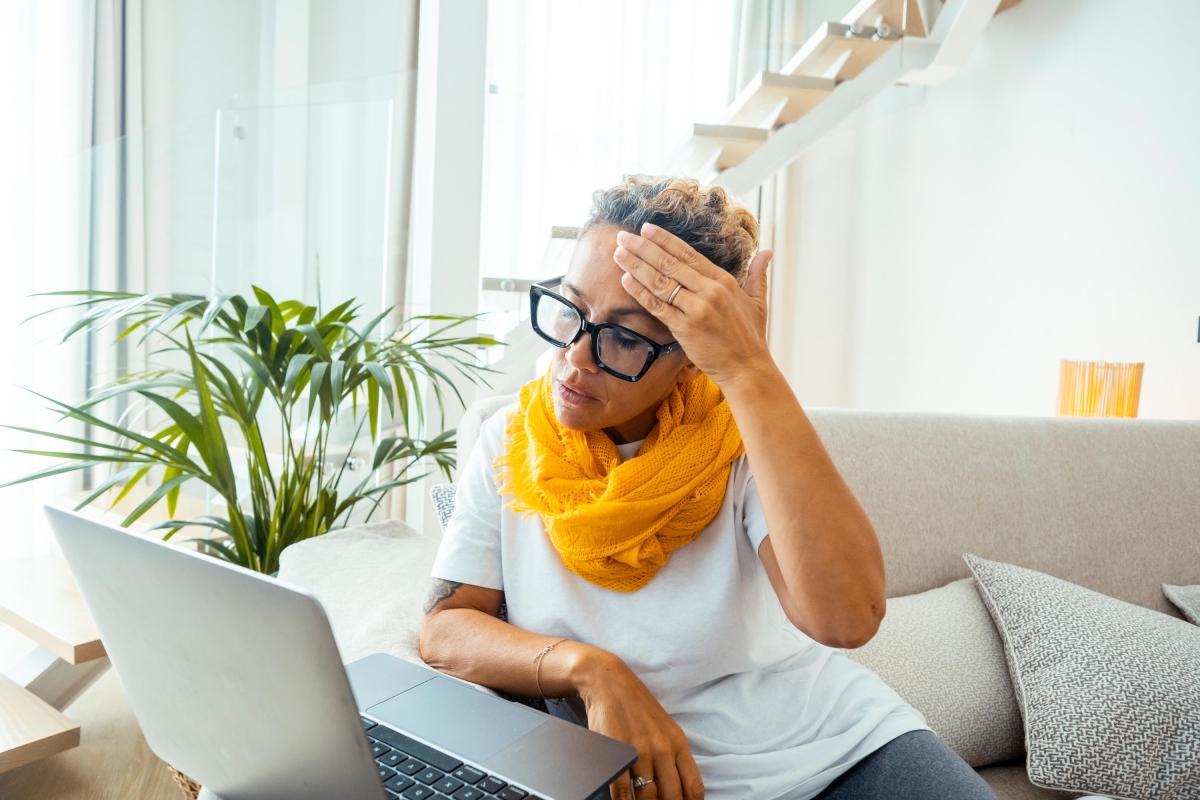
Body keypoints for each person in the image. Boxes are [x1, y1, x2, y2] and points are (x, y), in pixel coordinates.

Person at [420, 176, 998, 800]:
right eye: (571, 309)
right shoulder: (511, 442)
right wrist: (590, 672)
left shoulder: (741, 436)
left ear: (689, 354)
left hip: (843, 755)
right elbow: (446, 627)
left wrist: (749, 369)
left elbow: (847, 619)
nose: (578, 357)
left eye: (625, 335)